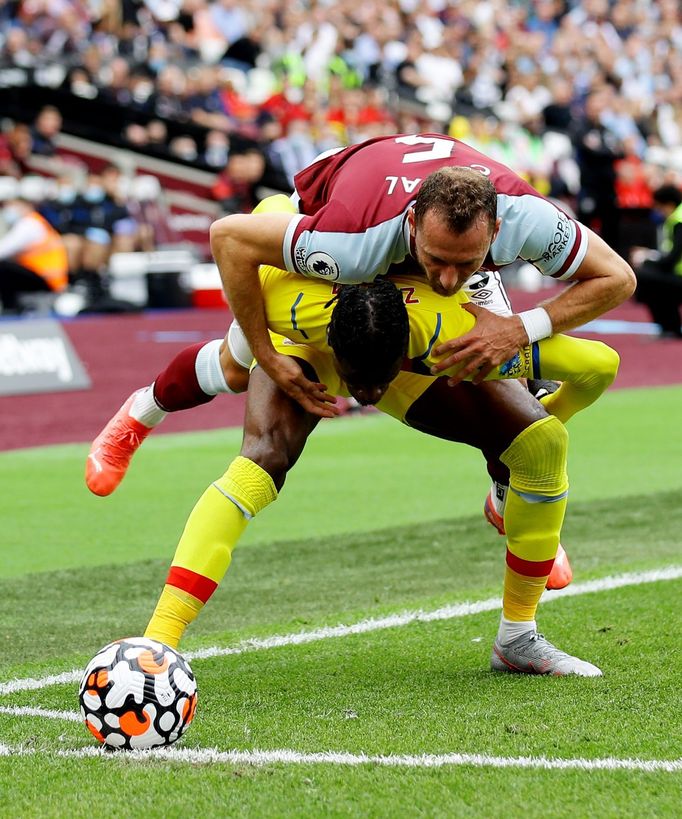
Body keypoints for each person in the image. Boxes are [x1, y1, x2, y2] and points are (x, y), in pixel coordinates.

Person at [87, 238, 619, 677]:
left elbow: (599, 364)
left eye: (375, 383)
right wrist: (268, 352)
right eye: (356, 383)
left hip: (414, 324)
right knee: (242, 387)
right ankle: (155, 641)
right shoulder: (287, 299)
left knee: (536, 437)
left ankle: (517, 628)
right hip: (302, 328)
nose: (361, 397)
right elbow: (232, 242)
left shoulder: (442, 330)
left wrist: (543, 395)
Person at [208, 132, 635, 419]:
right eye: (438, 259)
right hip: (345, 209)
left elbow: (618, 278)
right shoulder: (349, 240)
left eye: (466, 262)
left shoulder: (527, 218)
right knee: (235, 368)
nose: (448, 281)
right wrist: (266, 354)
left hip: (421, 211)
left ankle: (508, 495)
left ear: (498, 231)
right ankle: (142, 411)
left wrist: (522, 328)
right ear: (413, 225)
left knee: (516, 399)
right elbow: (228, 238)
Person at [0, 198, 69, 312]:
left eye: (12, 205)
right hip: (43, 277)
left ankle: (9, 307)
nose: (7, 210)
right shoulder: (34, 222)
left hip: (47, 280)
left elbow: (3, 250)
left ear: (27, 206)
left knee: (2, 267)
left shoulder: (30, 224)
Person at [631, 184, 682, 338]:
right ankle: (671, 326)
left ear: (669, 204)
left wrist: (646, 260)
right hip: (676, 274)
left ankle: (670, 327)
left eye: (659, 207)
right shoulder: (676, 218)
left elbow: (670, 260)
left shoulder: (678, 221)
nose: (658, 212)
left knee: (644, 277)